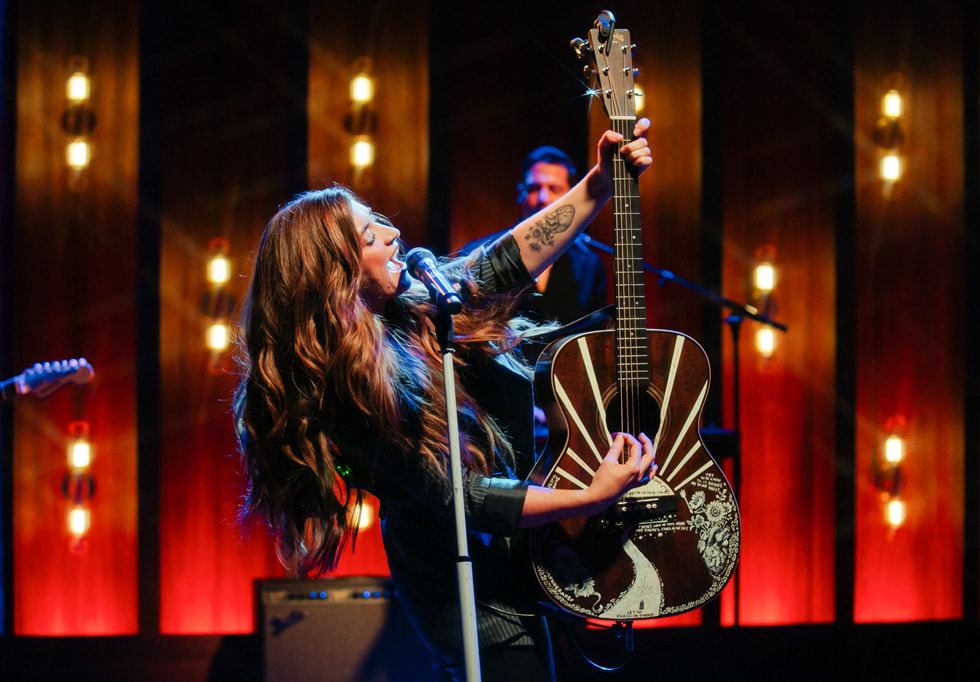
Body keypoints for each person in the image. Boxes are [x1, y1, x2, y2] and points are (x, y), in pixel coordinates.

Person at [233, 119, 655, 682]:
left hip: (512, 558)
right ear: (335, 274)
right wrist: (587, 498)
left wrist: (599, 184)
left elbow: (505, 262)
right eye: (368, 235)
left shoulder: (411, 306)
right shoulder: (347, 389)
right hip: (466, 592)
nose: (391, 233)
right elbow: (466, 496)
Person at [461, 145, 607, 337]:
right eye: (534, 188)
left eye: (554, 188)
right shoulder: (479, 254)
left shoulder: (589, 264)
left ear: (570, 195)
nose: (543, 198)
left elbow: (593, 335)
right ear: (521, 194)